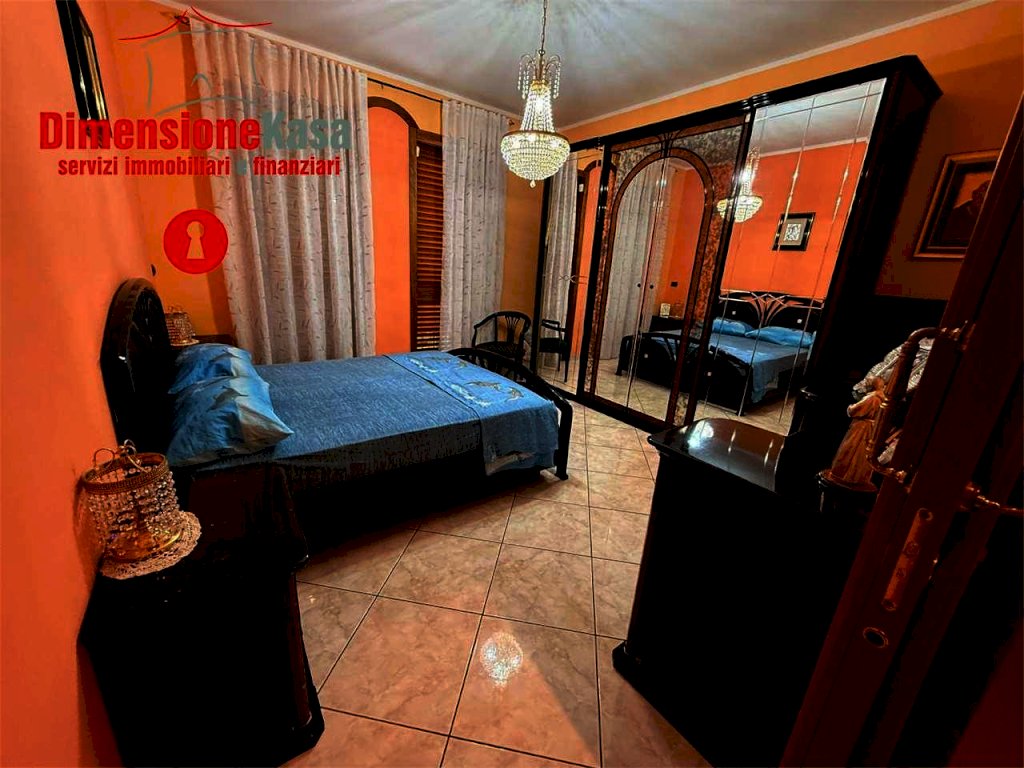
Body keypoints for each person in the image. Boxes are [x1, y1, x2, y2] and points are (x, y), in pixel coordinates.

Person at [823, 376, 886, 491]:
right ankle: (857, 476)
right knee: (861, 454)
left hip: (861, 428)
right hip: (872, 429)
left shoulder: (872, 397)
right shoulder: (883, 398)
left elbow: (854, 410)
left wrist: (850, 407)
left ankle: (845, 475)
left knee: (850, 450)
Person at [942, 179, 990, 246]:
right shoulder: (952, 218)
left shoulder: (993, 220)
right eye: (981, 199)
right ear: (974, 194)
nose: (982, 205)